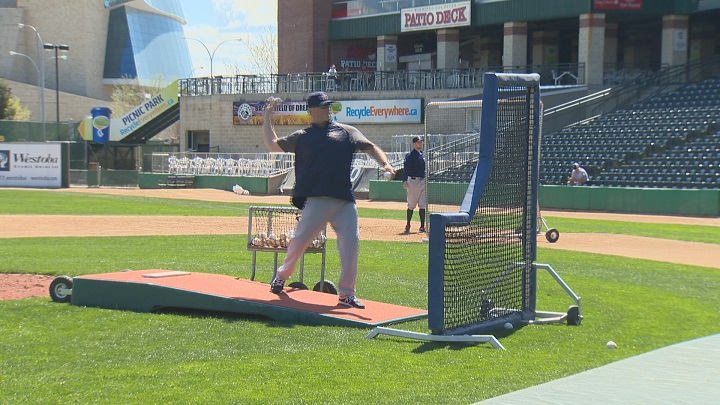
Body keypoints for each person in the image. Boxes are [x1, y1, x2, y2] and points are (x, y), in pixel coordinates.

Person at [262, 91, 395, 309]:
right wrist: (267, 117)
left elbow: (371, 147)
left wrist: (385, 164)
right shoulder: (303, 136)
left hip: (344, 200)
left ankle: (346, 294)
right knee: (299, 242)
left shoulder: (347, 132)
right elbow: (272, 144)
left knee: (351, 245)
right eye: (323, 106)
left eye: (329, 106)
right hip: (317, 200)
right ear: (311, 111)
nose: (328, 109)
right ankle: (281, 276)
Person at [402, 136, 426, 234]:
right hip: (413, 181)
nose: (420, 143)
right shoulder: (410, 155)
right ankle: (408, 225)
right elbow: (406, 168)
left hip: (423, 181)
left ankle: (422, 226)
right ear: (414, 144)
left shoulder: (422, 154)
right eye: (418, 142)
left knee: (423, 204)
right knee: (411, 205)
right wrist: (404, 180)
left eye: (421, 142)